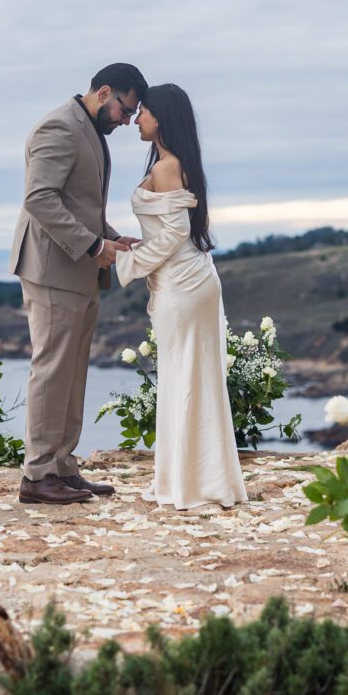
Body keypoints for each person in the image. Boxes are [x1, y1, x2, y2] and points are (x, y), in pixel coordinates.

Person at [10, 63, 148, 505]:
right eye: (125, 110)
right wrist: (91, 246)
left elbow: (78, 203)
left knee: (72, 369)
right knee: (52, 368)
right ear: (104, 91)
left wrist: (108, 237)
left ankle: (62, 467)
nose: (126, 121)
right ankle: (37, 475)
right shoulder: (60, 126)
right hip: (54, 268)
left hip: (79, 267)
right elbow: (39, 199)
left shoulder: (85, 128)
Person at [114, 83, 248, 510]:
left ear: (162, 118)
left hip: (182, 283)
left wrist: (126, 264)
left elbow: (174, 233)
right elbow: (172, 231)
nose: (137, 118)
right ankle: (199, 477)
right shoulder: (175, 162)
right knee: (193, 375)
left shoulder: (167, 166)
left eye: (144, 112)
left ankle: (189, 484)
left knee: (184, 377)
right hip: (193, 278)